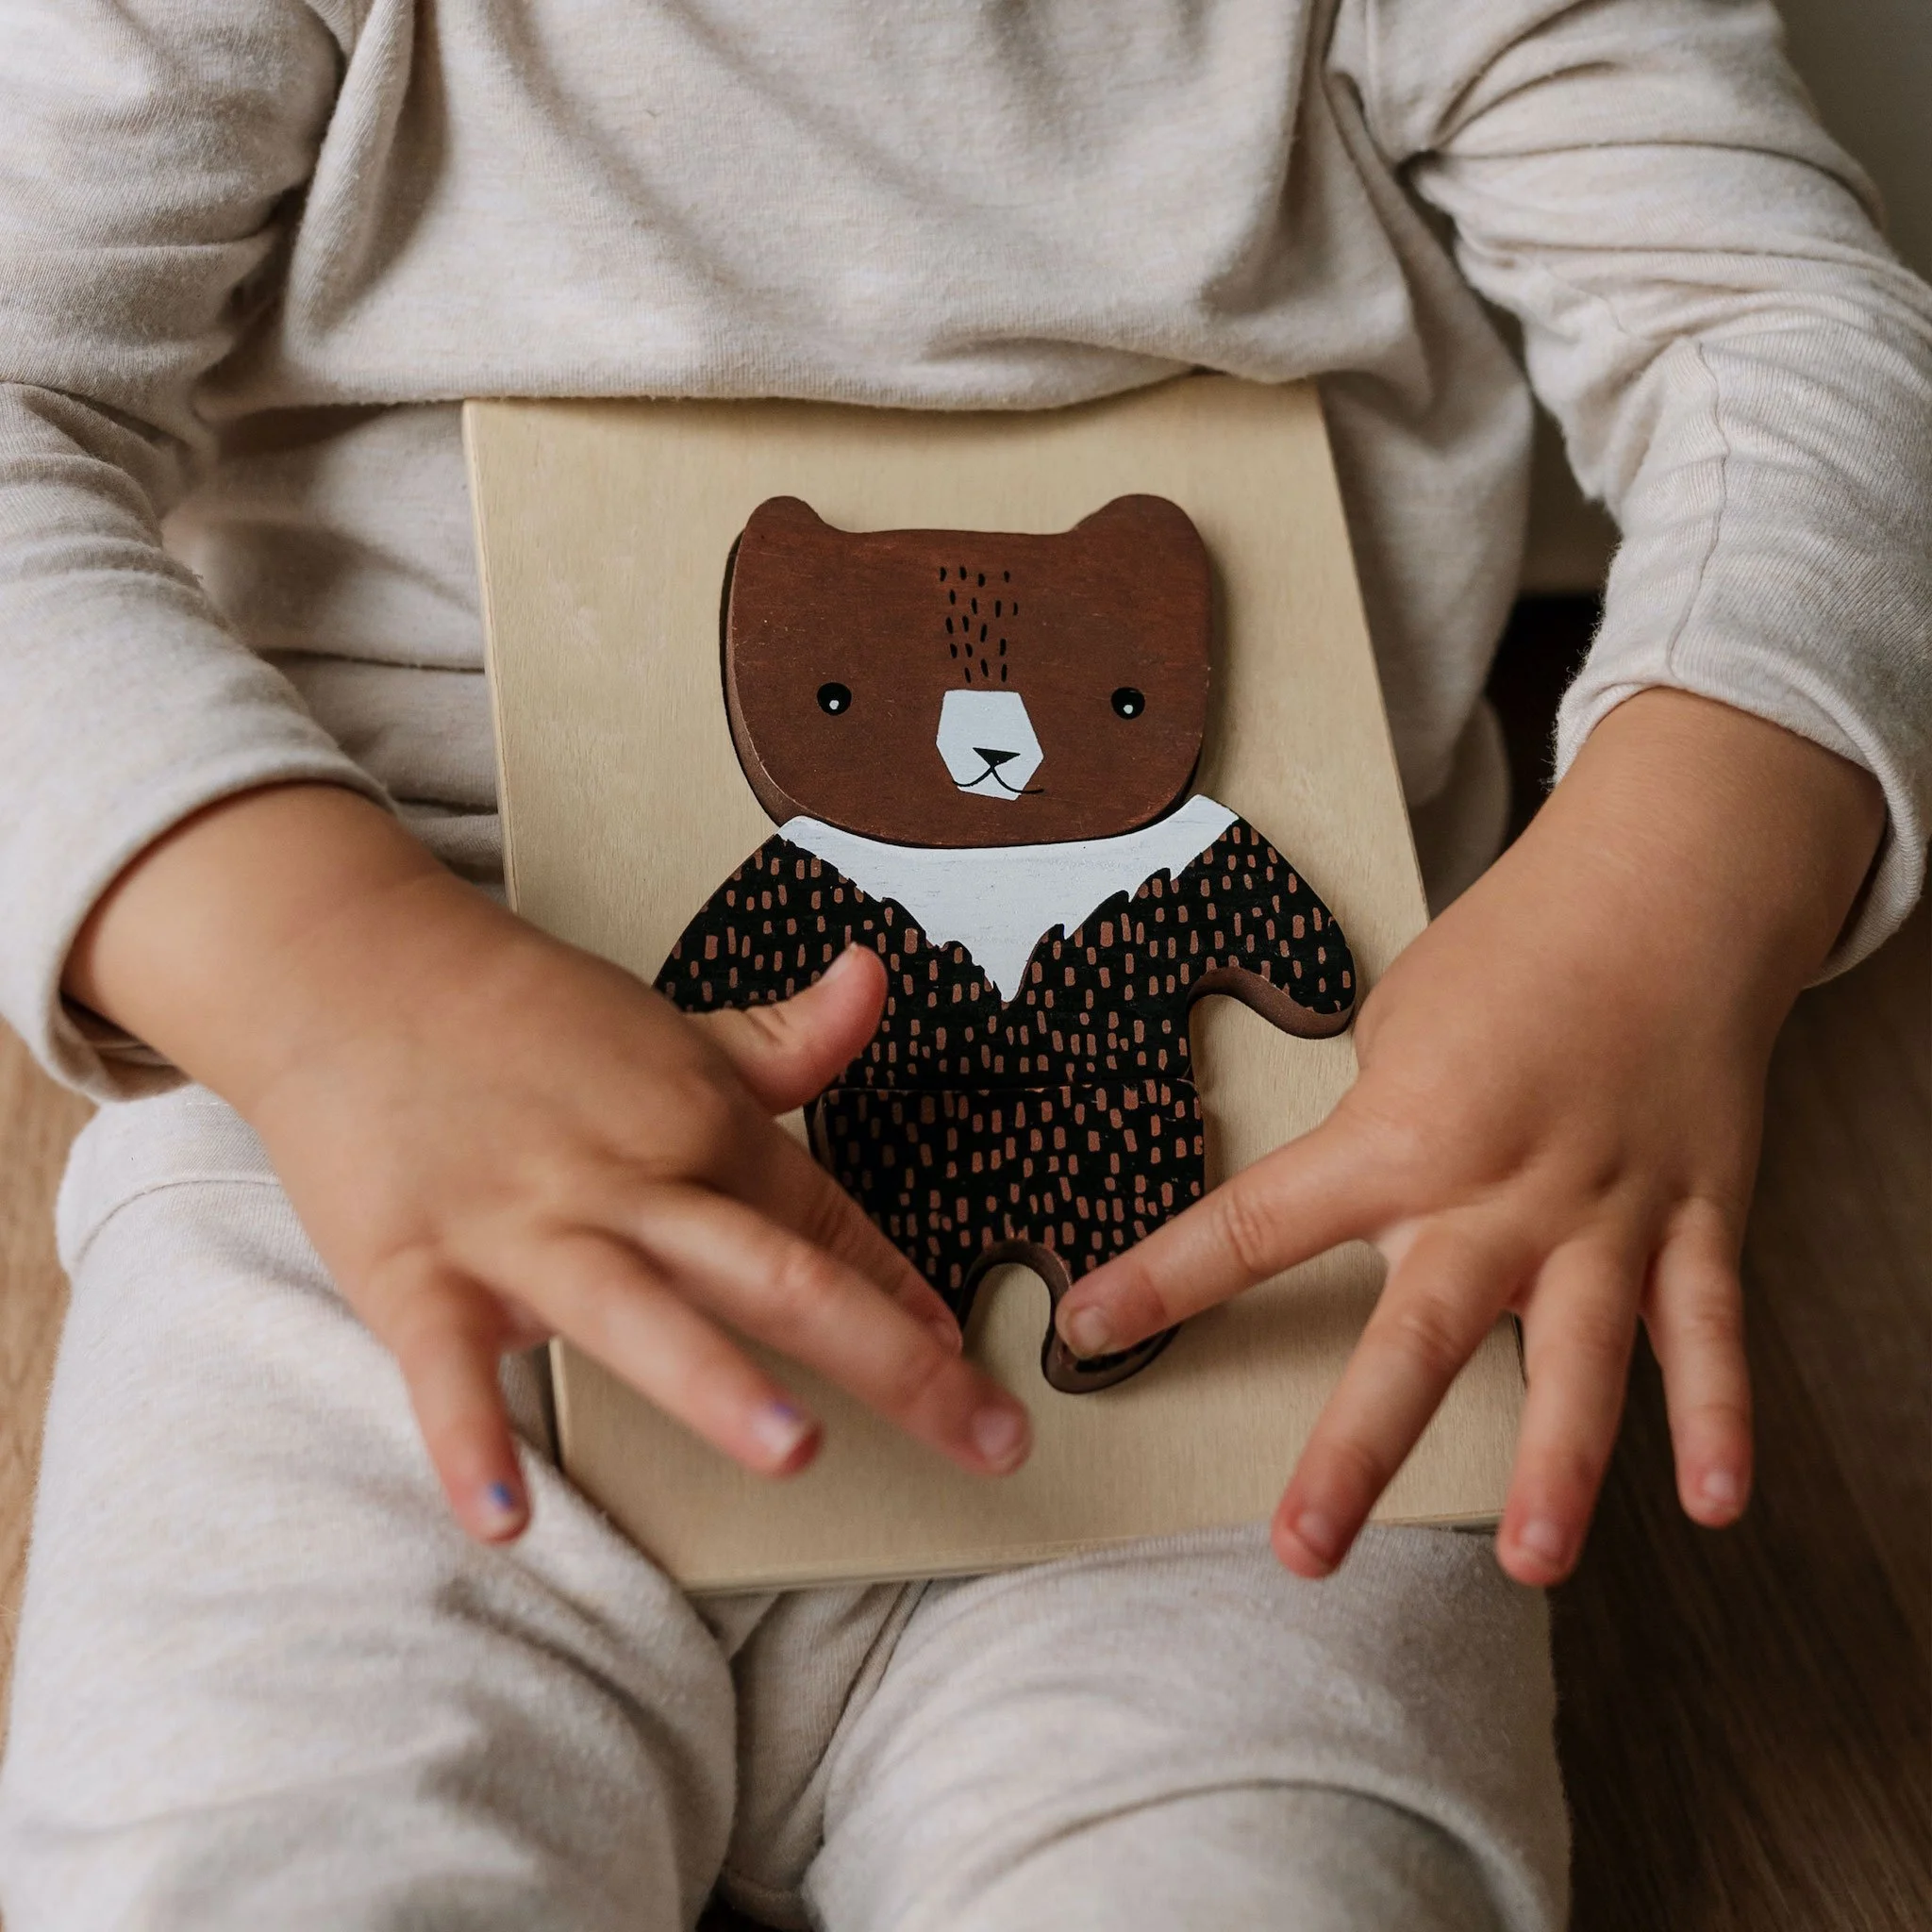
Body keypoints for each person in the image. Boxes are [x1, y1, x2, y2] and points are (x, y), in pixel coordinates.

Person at [0, 1, 1924, 1925]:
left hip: (1250, 1261)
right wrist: (321, 975)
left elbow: (1787, 335)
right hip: (374, 1170)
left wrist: (1675, 899)